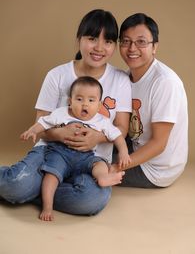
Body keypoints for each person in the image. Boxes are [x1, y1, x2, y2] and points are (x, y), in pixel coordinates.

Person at [0, 9, 132, 216]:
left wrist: (96, 137)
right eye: (91, 38)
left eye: (107, 41)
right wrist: (60, 134)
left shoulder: (121, 80)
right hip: (51, 152)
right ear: (79, 39)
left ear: (114, 45)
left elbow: (122, 128)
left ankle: (37, 188)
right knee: (13, 185)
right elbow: (42, 126)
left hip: (92, 160)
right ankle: (26, 185)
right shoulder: (57, 75)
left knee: (90, 200)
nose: (99, 47)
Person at [21, 76, 130, 221]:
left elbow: (117, 136)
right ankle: (47, 206)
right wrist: (33, 130)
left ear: (99, 105)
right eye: (79, 99)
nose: (85, 104)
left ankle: (102, 177)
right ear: (70, 101)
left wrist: (123, 152)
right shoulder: (62, 113)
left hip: (86, 156)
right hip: (60, 154)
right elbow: (44, 122)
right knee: (51, 175)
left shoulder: (102, 121)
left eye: (91, 100)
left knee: (100, 163)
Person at [112, 12, 188, 188]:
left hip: (156, 167)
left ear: (154, 47)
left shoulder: (164, 82)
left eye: (141, 42)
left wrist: (114, 167)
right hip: (134, 145)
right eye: (126, 41)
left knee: (89, 169)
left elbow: (159, 144)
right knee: (80, 153)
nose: (132, 48)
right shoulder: (125, 77)